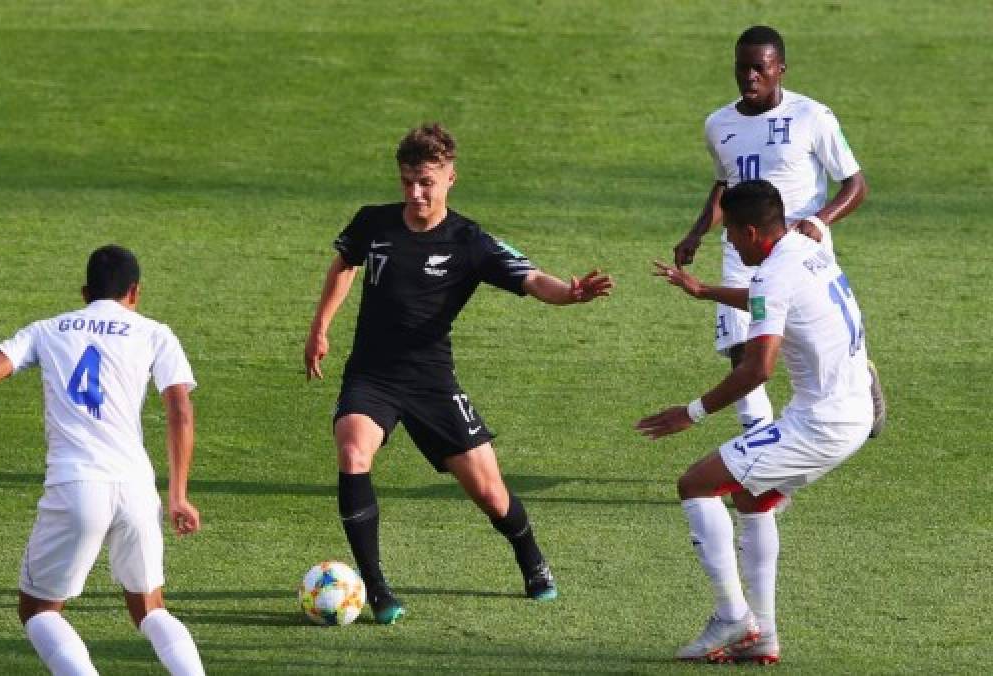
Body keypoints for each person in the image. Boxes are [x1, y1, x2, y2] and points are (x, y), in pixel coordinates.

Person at [304, 123, 614, 624]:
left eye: (426, 181)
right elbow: (344, 262)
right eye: (407, 180)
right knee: (352, 449)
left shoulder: (470, 241)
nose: (415, 192)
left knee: (491, 495)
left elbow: (531, 277)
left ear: (450, 178)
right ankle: (378, 587)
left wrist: (570, 293)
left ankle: (530, 555)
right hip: (372, 376)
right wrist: (320, 327)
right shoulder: (373, 223)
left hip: (432, 383)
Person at [0, 245, 206, 676]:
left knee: (40, 610)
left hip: (76, 486)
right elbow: (180, 410)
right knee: (150, 608)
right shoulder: (155, 332)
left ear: (84, 291)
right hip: (136, 488)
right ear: (135, 292)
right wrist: (178, 495)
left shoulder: (48, 329)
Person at [644, 180, 875, 664]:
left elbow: (757, 369)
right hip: (850, 408)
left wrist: (691, 413)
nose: (728, 241)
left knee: (697, 483)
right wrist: (705, 291)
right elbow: (776, 299)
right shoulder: (806, 247)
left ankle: (733, 618)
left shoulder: (774, 274)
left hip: (821, 424)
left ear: (751, 231)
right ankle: (762, 635)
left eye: (730, 233)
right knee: (752, 495)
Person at [672, 24, 885, 438]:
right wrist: (696, 232)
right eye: (742, 68)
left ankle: (862, 375)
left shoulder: (812, 116)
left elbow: (855, 185)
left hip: (801, 251)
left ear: (780, 69)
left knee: (809, 348)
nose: (749, 77)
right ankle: (759, 441)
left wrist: (820, 220)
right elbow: (725, 185)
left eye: (759, 68)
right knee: (742, 349)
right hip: (742, 249)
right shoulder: (719, 125)